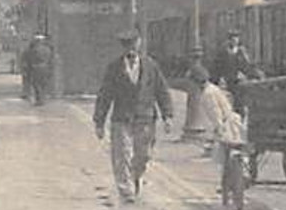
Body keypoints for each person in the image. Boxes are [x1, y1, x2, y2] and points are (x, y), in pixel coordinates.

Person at [93, 30, 174, 201]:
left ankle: (135, 177)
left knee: (143, 155)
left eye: (133, 44)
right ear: (122, 47)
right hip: (122, 117)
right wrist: (99, 122)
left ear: (139, 44)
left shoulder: (151, 66)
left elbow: (162, 91)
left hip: (145, 117)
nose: (130, 48)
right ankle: (125, 189)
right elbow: (105, 95)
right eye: (126, 45)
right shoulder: (114, 68)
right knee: (122, 154)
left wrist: (168, 115)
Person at [188, 63, 246, 185]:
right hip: (230, 122)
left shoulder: (207, 94)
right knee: (226, 156)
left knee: (223, 157)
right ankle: (231, 180)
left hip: (227, 126)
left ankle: (230, 181)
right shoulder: (213, 89)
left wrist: (219, 130)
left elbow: (216, 113)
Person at [20, 34, 56, 105]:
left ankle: (39, 99)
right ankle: (42, 98)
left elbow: (29, 59)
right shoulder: (48, 49)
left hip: (36, 68)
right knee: (43, 84)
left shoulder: (33, 49)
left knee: (36, 84)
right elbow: (51, 59)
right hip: (46, 68)